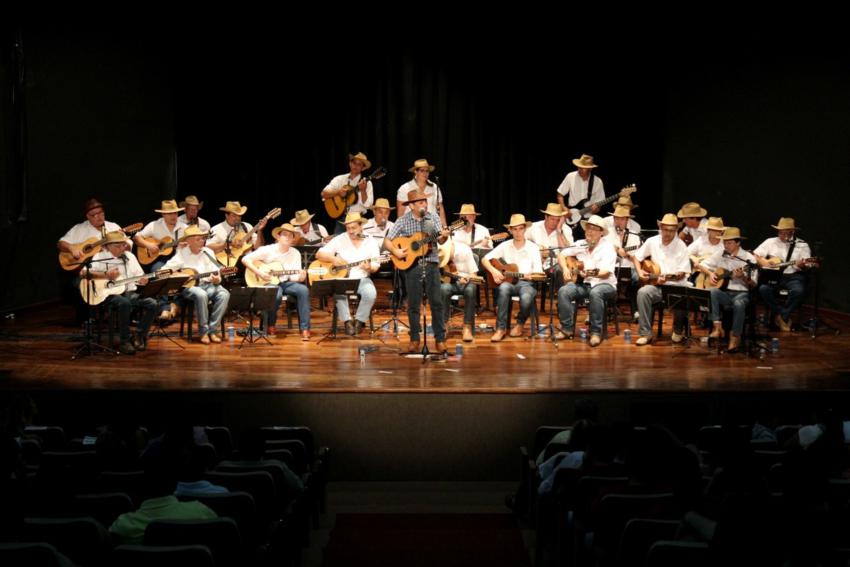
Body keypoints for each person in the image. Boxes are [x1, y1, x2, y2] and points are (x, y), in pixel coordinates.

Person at [385, 189, 450, 352]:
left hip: (431, 264)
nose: (425, 204)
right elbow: (387, 240)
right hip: (412, 266)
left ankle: (440, 339)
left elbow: (440, 239)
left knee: (436, 302)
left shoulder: (432, 217)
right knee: (413, 304)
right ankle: (414, 338)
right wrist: (396, 251)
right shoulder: (402, 220)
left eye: (425, 201)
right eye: (421, 202)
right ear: (412, 206)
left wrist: (444, 236)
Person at [80, 231, 158, 355]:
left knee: (152, 303)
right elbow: (84, 273)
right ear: (107, 246)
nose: (123, 248)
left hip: (129, 292)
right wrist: (105, 275)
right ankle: (124, 341)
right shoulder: (100, 257)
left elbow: (140, 276)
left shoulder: (129, 257)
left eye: (123, 244)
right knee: (124, 303)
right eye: (118, 246)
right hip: (108, 294)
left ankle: (139, 334)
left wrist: (144, 280)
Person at [242, 223, 311, 340]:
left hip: (285, 283)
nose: (288, 237)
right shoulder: (267, 250)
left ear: (294, 239)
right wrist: (259, 273)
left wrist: (300, 278)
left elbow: (293, 277)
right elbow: (245, 259)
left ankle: (305, 328)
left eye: (291, 235)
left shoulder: (295, 253)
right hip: (267, 282)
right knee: (276, 294)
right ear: (278, 237)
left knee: (303, 290)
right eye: (285, 234)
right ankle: (271, 324)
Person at [555, 215, 617, 346]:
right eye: (588, 228)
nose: (590, 231)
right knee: (564, 291)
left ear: (601, 232)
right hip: (585, 284)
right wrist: (565, 269)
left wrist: (587, 273)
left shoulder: (608, 248)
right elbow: (561, 254)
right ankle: (567, 328)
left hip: (605, 285)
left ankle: (595, 332)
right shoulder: (580, 244)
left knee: (596, 293)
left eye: (594, 229)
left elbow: (605, 273)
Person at [317, 212, 382, 335]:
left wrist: (369, 267)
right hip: (343, 279)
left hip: (362, 278)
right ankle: (347, 321)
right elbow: (319, 254)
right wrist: (333, 259)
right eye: (348, 228)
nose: (351, 231)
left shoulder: (371, 241)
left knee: (371, 293)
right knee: (338, 292)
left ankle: (359, 321)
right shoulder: (340, 239)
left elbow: (376, 266)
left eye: (354, 228)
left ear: (361, 226)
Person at [163, 226, 230, 345]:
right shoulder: (182, 254)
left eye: (202, 239)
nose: (202, 241)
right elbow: (165, 269)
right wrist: (179, 276)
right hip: (190, 287)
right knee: (201, 294)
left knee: (224, 294)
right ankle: (203, 332)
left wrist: (217, 279)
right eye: (198, 239)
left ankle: (212, 330)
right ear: (189, 241)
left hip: (209, 284)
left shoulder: (208, 252)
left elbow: (216, 271)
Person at [631, 213, 692, 345]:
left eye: (671, 230)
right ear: (661, 227)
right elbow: (636, 257)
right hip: (657, 286)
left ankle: (677, 329)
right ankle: (645, 333)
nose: (667, 233)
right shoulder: (652, 241)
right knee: (643, 292)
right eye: (665, 229)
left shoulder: (681, 246)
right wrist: (640, 271)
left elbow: (682, 273)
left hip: (676, 286)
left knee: (682, 295)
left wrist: (671, 278)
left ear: (676, 230)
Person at [482, 214, 544, 342]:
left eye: (520, 228)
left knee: (527, 298)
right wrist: (493, 271)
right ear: (510, 230)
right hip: (509, 282)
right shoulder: (505, 245)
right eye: (514, 229)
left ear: (525, 229)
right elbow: (484, 259)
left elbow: (539, 273)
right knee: (503, 288)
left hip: (527, 283)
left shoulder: (533, 248)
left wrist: (531, 276)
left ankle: (520, 323)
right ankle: (500, 328)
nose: (517, 232)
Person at [754, 217, 813, 332]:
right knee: (763, 289)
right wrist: (765, 262)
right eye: (781, 232)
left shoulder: (802, 245)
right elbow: (755, 255)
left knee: (799, 291)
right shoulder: (770, 242)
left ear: (793, 232)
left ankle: (781, 316)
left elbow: (807, 265)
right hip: (774, 275)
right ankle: (782, 315)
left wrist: (802, 265)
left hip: (794, 276)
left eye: (786, 233)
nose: (783, 235)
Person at [704, 227, 758, 352]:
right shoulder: (721, 254)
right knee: (712, 292)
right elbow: (701, 264)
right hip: (725, 293)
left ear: (738, 242)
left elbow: (754, 284)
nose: (726, 245)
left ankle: (735, 336)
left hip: (742, 293)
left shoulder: (748, 259)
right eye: (724, 242)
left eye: (729, 243)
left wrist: (744, 277)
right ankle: (717, 328)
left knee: (738, 304)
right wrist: (711, 274)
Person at [321, 152, 374, 233]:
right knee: (338, 245)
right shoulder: (339, 179)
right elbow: (324, 193)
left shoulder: (367, 183)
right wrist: (338, 192)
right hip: (341, 220)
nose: (356, 166)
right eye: (354, 163)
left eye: (359, 164)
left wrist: (363, 191)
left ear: (363, 168)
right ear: (350, 163)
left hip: (358, 220)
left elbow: (368, 205)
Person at [604, 205, 642, 317]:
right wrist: (615, 249)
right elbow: (603, 249)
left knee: (636, 278)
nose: (618, 221)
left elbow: (637, 256)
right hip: (611, 267)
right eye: (616, 218)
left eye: (621, 219)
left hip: (629, 267)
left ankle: (636, 311)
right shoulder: (607, 233)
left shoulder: (634, 235)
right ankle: (605, 309)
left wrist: (627, 255)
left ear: (627, 220)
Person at [440, 239, 480, 342]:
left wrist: (466, 279)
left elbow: (474, 274)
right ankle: (444, 324)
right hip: (450, 283)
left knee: (471, 290)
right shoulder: (439, 250)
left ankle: (467, 326)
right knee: (444, 289)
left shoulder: (465, 250)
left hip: (466, 282)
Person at [527, 203, 574, 282]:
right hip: (536, 261)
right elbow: (522, 242)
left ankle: (558, 293)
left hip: (555, 264)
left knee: (558, 269)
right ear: (546, 217)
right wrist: (535, 248)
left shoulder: (566, 229)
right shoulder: (533, 227)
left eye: (558, 220)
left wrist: (559, 231)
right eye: (552, 219)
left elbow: (568, 251)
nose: (555, 222)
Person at [555, 154, 605, 227]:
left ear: (590, 169)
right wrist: (564, 208)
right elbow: (560, 194)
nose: (580, 169)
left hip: (588, 219)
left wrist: (595, 210)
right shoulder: (570, 176)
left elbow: (599, 206)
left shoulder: (598, 181)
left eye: (583, 168)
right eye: (579, 167)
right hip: (571, 216)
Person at [395, 159, 447, 228]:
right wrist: (401, 230)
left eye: (427, 171)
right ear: (415, 171)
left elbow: (440, 208)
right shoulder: (405, 188)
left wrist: (444, 226)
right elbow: (400, 213)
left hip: (431, 228)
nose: (425, 173)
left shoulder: (434, 187)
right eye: (422, 171)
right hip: (411, 228)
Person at [687, 217, 726, 285]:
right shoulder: (701, 240)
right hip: (699, 273)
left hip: (716, 275)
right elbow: (686, 252)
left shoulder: (725, 245)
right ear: (708, 230)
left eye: (719, 231)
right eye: (714, 230)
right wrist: (694, 259)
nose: (717, 233)